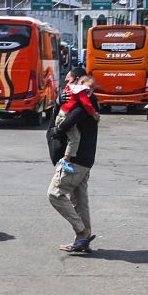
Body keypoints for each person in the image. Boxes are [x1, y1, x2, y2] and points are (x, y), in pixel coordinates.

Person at [48, 76, 100, 254]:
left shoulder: (85, 100)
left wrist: (57, 130)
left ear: (78, 80)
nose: (66, 82)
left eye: (69, 79)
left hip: (75, 160)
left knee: (54, 194)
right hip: (85, 160)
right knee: (79, 200)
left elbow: (67, 121)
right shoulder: (83, 100)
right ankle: (83, 241)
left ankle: (82, 232)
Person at [55, 75, 100, 174]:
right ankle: (66, 160)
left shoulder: (71, 88)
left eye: (93, 88)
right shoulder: (81, 90)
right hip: (64, 117)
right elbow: (86, 104)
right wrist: (94, 114)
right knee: (75, 138)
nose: (91, 89)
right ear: (82, 81)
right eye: (91, 85)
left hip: (62, 115)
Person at [47, 67, 86, 166]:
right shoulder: (74, 98)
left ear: (77, 80)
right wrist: (57, 104)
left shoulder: (83, 101)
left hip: (75, 162)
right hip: (78, 161)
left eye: (68, 81)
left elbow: (65, 124)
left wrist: (55, 131)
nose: (67, 86)